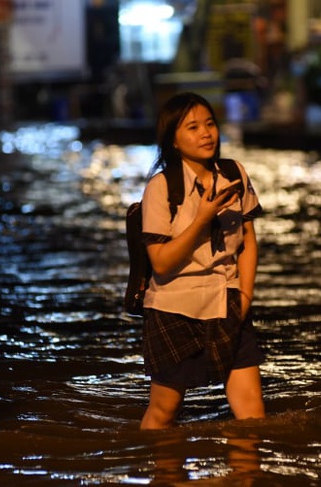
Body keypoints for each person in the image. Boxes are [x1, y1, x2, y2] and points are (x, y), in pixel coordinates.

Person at [139, 92, 266, 430]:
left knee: (253, 416)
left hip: (228, 302)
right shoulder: (162, 187)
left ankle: (247, 479)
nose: (206, 133)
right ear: (174, 140)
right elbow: (162, 263)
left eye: (210, 124)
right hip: (175, 309)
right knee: (164, 411)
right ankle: (155, 472)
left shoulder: (233, 173)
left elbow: (249, 242)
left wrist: (245, 297)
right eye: (193, 127)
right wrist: (201, 219)